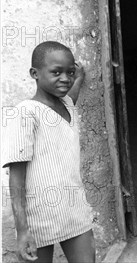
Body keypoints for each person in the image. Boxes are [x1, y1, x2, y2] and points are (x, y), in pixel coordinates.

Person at [2, 41, 95, 263]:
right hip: (38, 218)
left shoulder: (67, 105)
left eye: (69, 72)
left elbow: (71, 94)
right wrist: (22, 230)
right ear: (35, 73)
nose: (65, 78)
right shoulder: (26, 113)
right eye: (56, 72)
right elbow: (16, 175)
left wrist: (79, 77)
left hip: (74, 211)